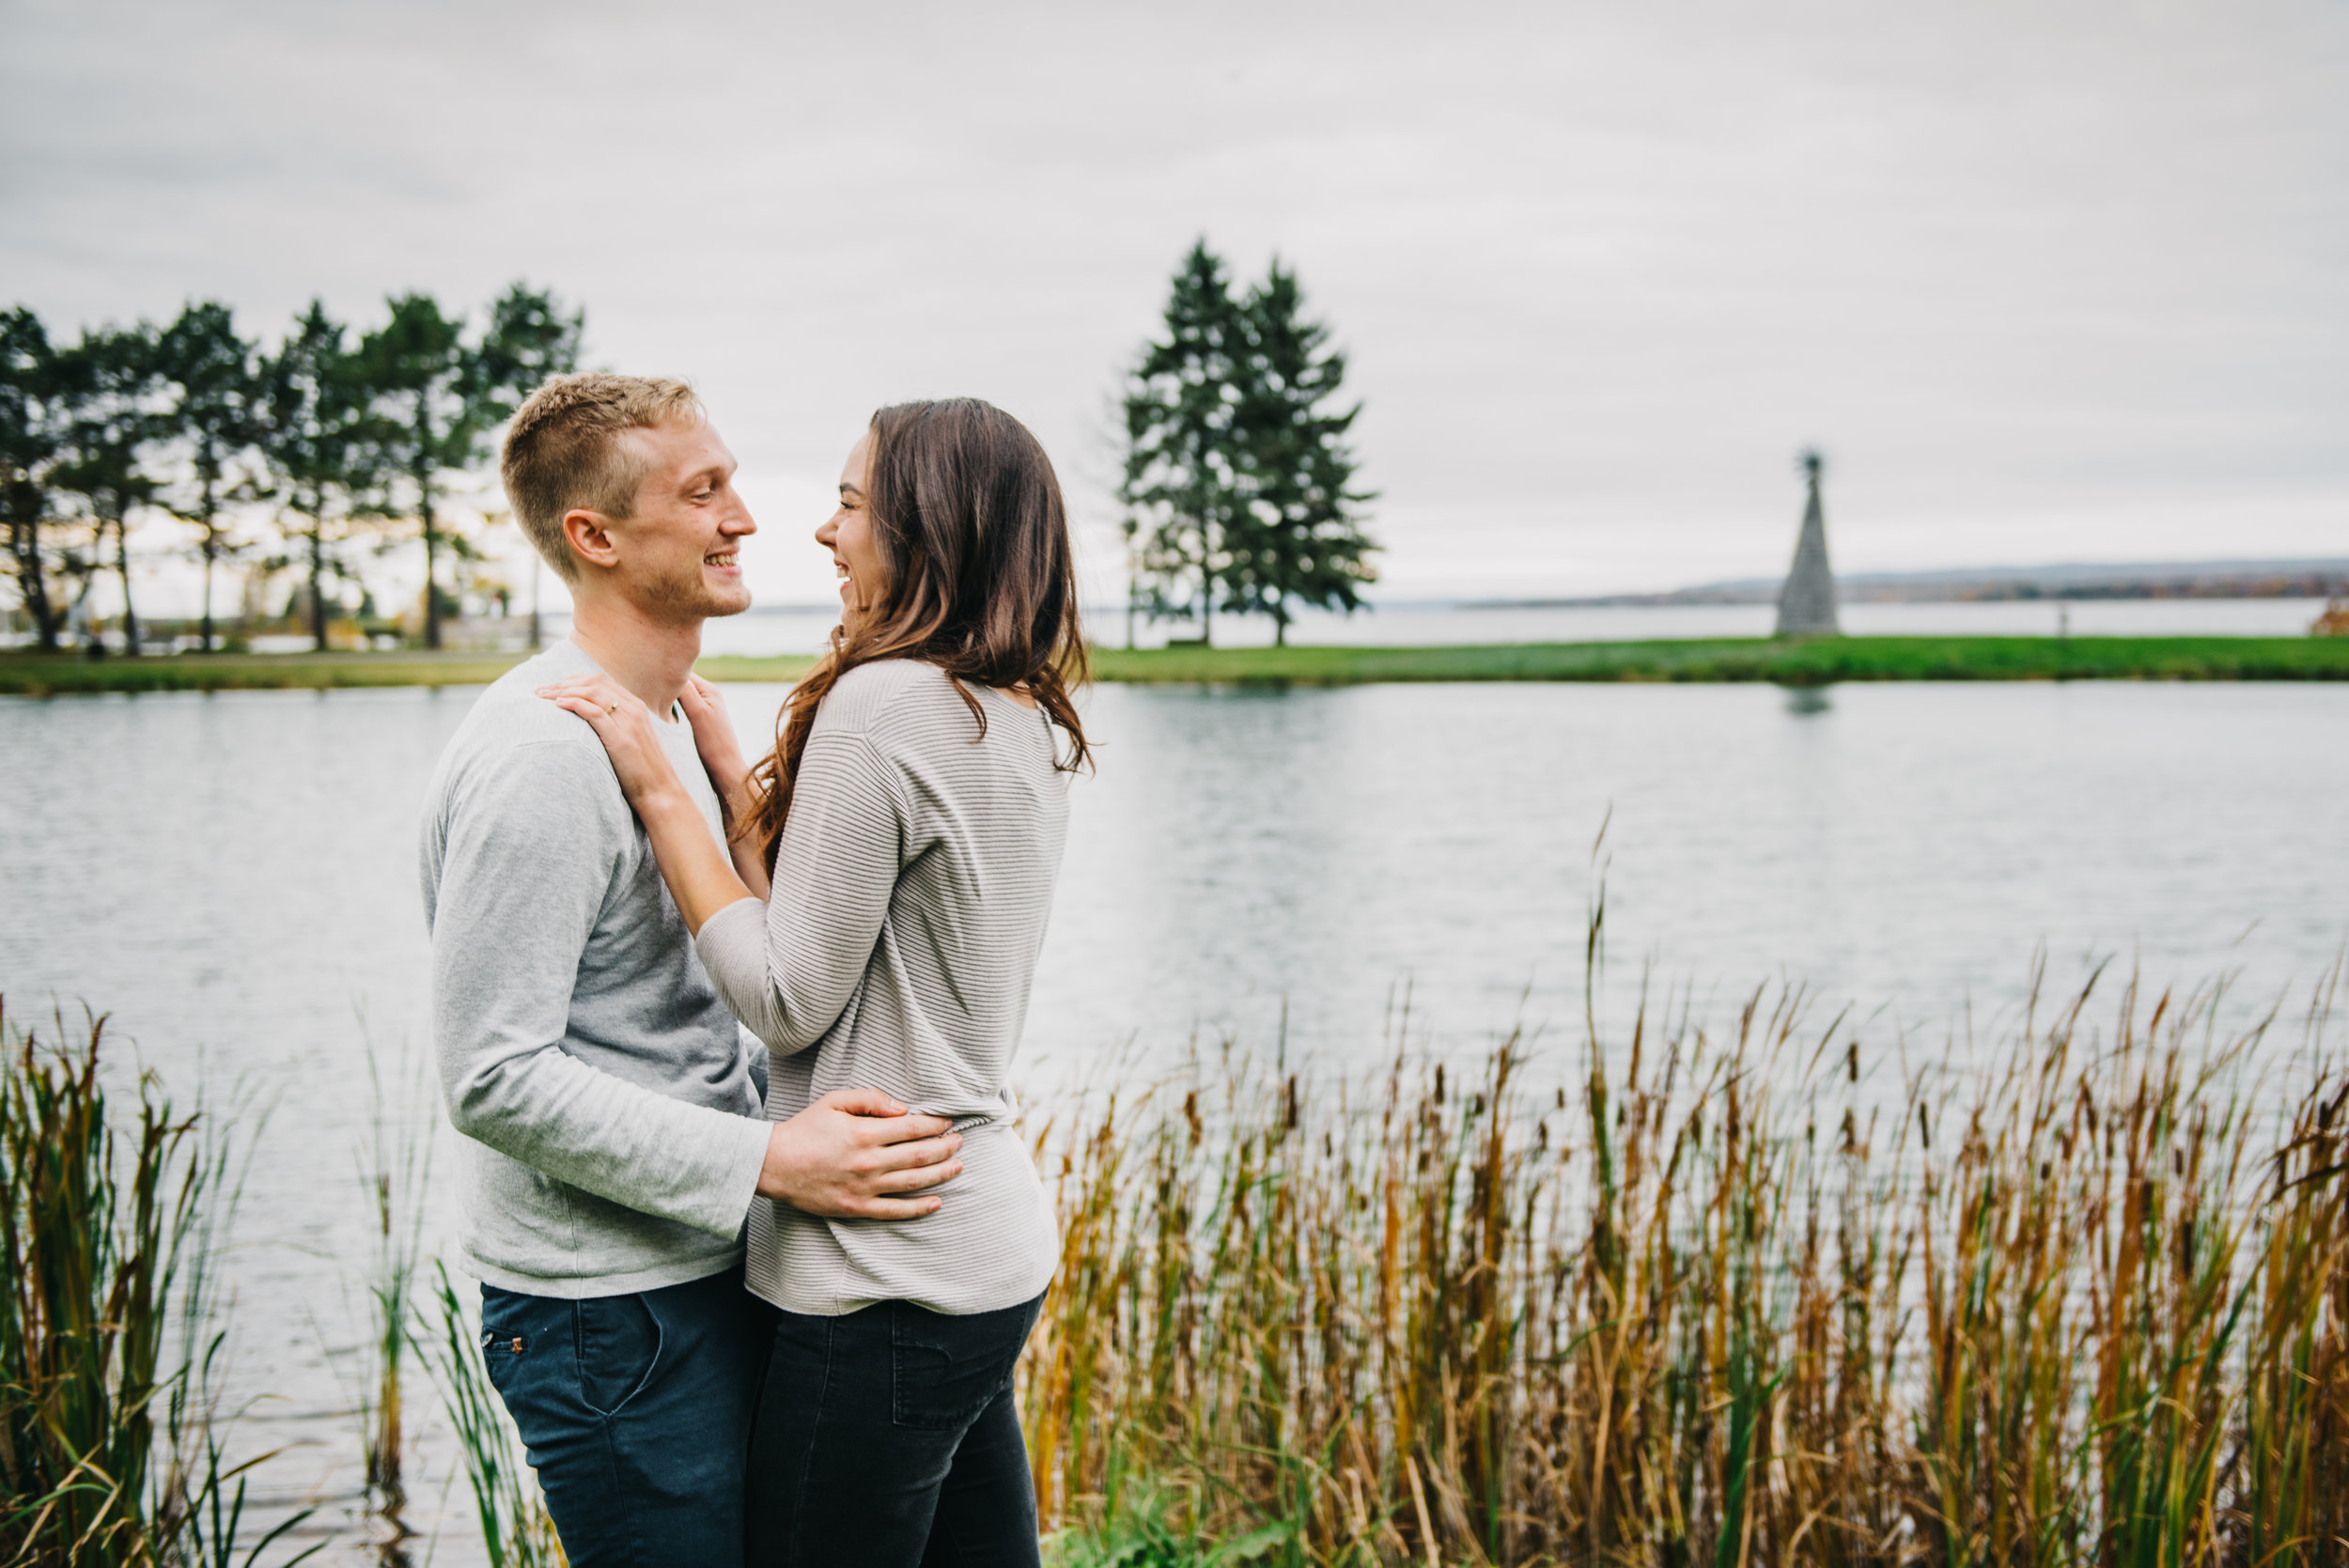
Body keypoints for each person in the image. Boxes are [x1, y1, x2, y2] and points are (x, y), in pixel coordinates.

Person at [420, 374, 968, 1568]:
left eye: (732, 482)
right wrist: (773, 1160)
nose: (746, 518)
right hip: (608, 1315)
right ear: (595, 537)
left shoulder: (663, 717)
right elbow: (491, 1075)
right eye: (703, 491)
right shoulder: (544, 756)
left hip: (707, 1264)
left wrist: (740, 821)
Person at [539, 396, 1091, 1568]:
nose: (827, 536)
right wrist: (734, 778)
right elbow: (850, 916)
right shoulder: (1017, 707)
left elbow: (787, 994)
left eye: (851, 504)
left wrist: (660, 792)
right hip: (980, 1250)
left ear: (924, 527)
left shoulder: (880, 704)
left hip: (881, 1273)